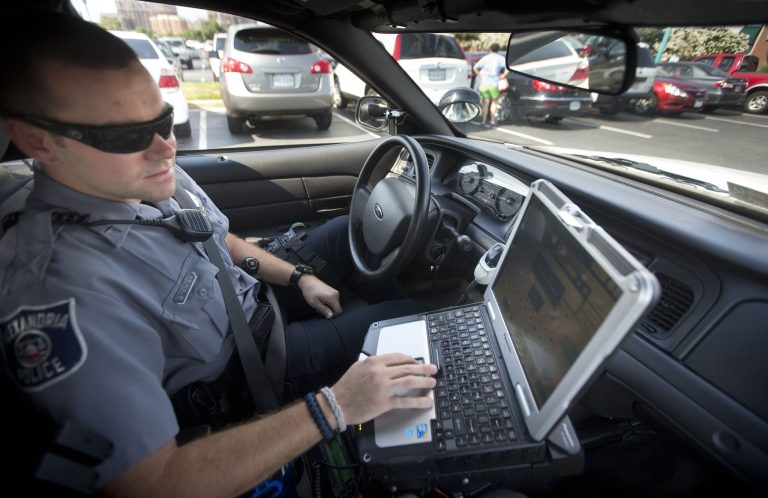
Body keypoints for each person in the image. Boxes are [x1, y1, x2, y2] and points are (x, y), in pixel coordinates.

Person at [0, 10, 436, 497]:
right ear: (37, 140)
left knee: (341, 235)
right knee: (411, 323)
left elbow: (216, 240)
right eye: (123, 136)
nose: (165, 148)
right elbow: (151, 484)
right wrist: (335, 406)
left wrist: (296, 278)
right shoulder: (63, 292)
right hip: (252, 372)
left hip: (253, 304)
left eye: (162, 120)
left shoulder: (143, 176)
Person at [473, 43, 509, 128]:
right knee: (494, 103)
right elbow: (508, 69)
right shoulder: (501, 58)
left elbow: (475, 67)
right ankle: (492, 121)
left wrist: (480, 76)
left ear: (490, 49)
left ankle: (483, 121)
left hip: (484, 83)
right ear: (498, 49)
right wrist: (502, 76)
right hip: (494, 83)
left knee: (485, 103)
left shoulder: (485, 58)